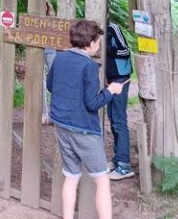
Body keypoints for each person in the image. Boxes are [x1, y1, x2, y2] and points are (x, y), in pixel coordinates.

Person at [46, 20, 124, 219]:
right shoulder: (89, 66)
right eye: (98, 43)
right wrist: (111, 90)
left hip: (62, 126)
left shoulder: (60, 58)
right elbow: (92, 103)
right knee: (102, 180)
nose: (98, 47)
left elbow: (50, 85)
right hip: (84, 131)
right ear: (90, 44)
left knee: (71, 177)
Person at [105, 20, 135, 180]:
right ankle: (117, 160)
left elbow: (125, 51)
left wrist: (106, 49)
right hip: (109, 78)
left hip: (120, 78)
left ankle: (124, 165)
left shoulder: (112, 28)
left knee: (119, 121)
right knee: (112, 119)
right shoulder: (95, 29)